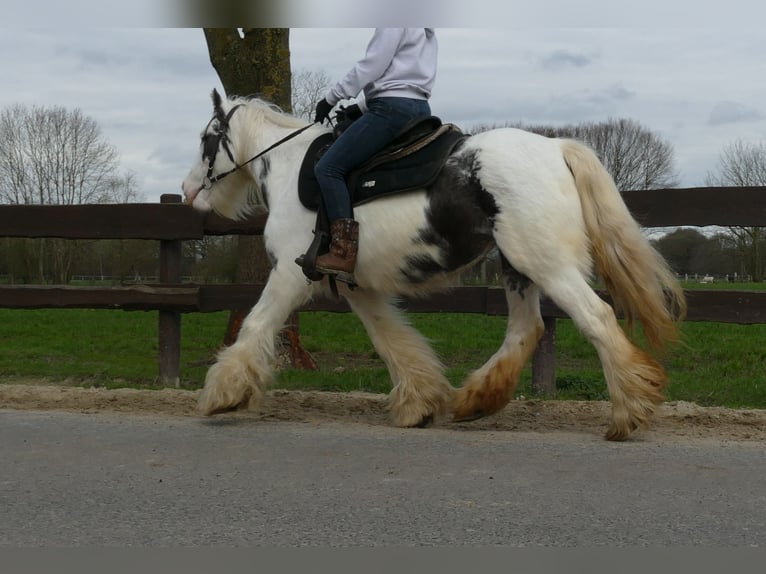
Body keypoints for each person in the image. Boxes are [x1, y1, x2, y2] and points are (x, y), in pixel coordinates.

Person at [304, 28, 438, 280]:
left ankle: (342, 252)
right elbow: (402, 74)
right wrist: (360, 106)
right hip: (420, 108)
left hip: (391, 109)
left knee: (328, 168)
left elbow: (373, 65)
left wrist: (331, 98)